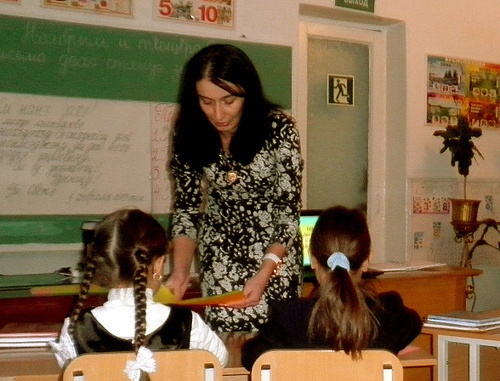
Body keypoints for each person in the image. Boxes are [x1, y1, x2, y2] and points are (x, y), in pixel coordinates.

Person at [166, 44, 303, 332]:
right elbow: (187, 209)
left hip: (274, 254)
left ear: (247, 94)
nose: (218, 113)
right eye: (206, 102)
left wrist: (265, 273)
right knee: (224, 337)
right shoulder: (188, 131)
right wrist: (179, 273)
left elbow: (288, 214)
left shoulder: (279, 130)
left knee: (276, 339)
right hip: (220, 247)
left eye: (229, 101)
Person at [50, 209, 228, 380]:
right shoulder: (189, 324)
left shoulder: (75, 330)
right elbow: (217, 363)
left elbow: (71, 372)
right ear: (158, 265)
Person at [241, 205, 422, 370]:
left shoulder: (288, 317)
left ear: (313, 260)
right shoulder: (389, 313)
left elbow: (250, 357)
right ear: (367, 261)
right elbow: (414, 324)